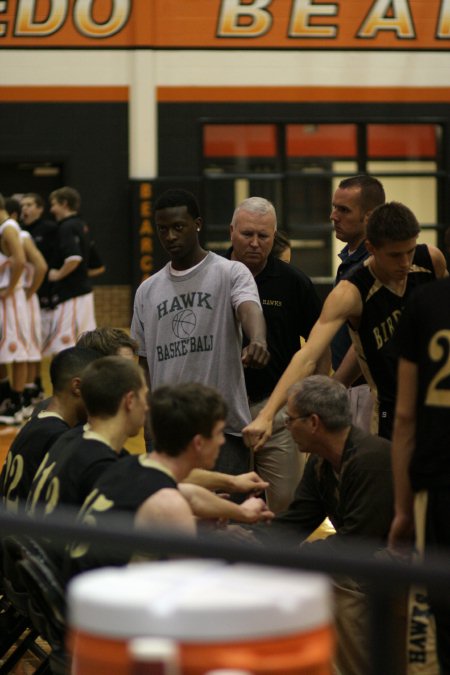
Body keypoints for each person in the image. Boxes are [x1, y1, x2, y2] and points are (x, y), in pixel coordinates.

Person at [244, 201, 448, 449]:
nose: (405, 262)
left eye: (410, 251)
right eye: (395, 255)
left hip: (438, 398)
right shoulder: (350, 292)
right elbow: (309, 355)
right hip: (390, 409)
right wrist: (266, 416)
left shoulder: (430, 260)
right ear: (371, 248)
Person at [248, 375, 394, 675]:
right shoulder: (321, 462)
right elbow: (294, 523)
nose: (286, 428)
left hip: (408, 563)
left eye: (289, 420)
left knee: (339, 578)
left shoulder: (371, 460)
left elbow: (358, 543)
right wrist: (245, 539)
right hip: (369, 558)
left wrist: (299, 557)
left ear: (313, 422)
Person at [131, 188, 269, 479]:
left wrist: (257, 339)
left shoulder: (230, 272)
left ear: (197, 224)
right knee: (175, 520)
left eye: (178, 227)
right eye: (163, 229)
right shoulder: (147, 290)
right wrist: (147, 421)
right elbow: (143, 364)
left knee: (226, 521)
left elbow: (248, 308)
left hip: (222, 430)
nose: (170, 236)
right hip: (167, 431)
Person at [67, 382, 273, 577]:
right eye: (219, 433)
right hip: (102, 609)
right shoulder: (169, 504)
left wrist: (243, 512)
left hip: (80, 592)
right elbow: (187, 587)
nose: (221, 441)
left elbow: (190, 495)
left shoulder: (132, 465)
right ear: (199, 443)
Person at [227, 196, 327, 512]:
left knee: (286, 502)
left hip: (279, 411)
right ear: (231, 231)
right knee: (226, 505)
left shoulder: (294, 283)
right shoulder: (212, 275)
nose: (255, 243)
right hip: (223, 412)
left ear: (274, 236)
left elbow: (318, 345)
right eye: (247, 234)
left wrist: (316, 399)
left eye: (264, 236)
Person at [388, 276, 450, 672]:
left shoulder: (427, 300)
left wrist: (403, 510)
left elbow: (405, 417)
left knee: (438, 614)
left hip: (440, 482)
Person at [26, 356, 144, 517]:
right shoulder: (100, 465)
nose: (148, 405)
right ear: (130, 401)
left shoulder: (69, 438)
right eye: (145, 396)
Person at [0, 346, 101, 513]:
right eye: (98, 386)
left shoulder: (37, 422)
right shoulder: (59, 437)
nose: (102, 395)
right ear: (77, 387)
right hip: (22, 534)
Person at [330, 175, 386, 430]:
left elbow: (366, 333)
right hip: (347, 388)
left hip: (367, 390)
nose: (333, 216)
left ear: (370, 216)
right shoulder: (349, 261)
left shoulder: (374, 267)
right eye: (334, 207)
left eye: (343, 210)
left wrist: (336, 386)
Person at [43, 186, 95, 356]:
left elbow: (74, 258)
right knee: (86, 343)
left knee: (64, 347)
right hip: (83, 292)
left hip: (71, 294)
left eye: (53, 204)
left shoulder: (66, 227)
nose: (51, 209)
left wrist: (57, 274)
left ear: (64, 204)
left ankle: (69, 382)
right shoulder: (82, 224)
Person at [21, 192, 58, 400]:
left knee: (48, 346)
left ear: (39, 208)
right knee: (32, 344)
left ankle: (48, 388)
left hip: (47, 296)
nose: (25, 208)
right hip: (29, 297)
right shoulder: (20, 231)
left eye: (29, 204)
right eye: (23, 205)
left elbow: (51, 263)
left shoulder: (50, 229)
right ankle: (35, 385)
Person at [0, 193, 28, 424]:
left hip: (11, 298)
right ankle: (8, 399)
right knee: (5, 350)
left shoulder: (8, 227)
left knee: (16, 349)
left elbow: (20, 260)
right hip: (7, 298)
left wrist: (10, 289)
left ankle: (18, 404)